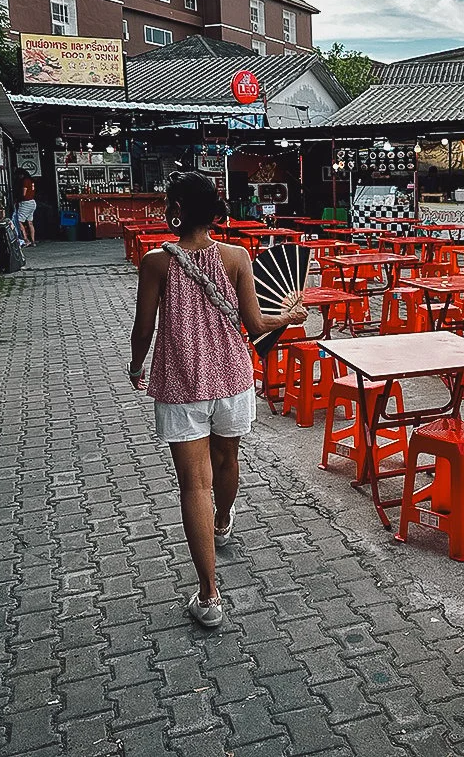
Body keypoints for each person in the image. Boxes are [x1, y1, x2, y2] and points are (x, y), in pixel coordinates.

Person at [129, 172, 307, 628]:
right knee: (228, 460)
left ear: (175, 209)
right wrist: (289, 314)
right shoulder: (236, 257)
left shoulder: (156, 262)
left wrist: (136, 366)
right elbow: (256, 324)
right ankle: (224, 521)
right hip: (233, 377)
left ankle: (209, 596)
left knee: (193, 485)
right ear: (212, 212)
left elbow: (144, 330)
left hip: (181, 383)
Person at [14, 170, 37, 247]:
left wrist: (17, 199)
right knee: (30, 222)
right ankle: (33, 241)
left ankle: (26, 239)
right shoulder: (31, 181)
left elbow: (24, 193)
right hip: (32, 202)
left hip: (26, 203)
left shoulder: (25, 181)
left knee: (19, 221)